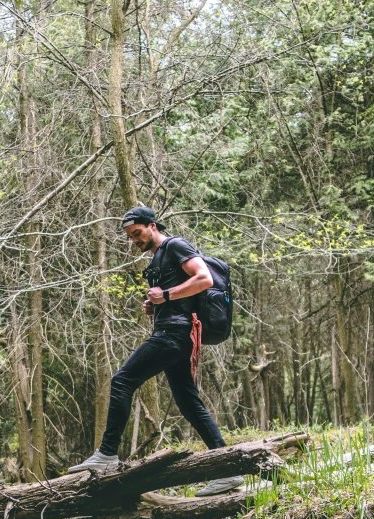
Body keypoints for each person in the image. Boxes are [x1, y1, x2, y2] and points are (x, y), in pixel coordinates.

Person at [67, 206, 243, 497]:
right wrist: (158, 303)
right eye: (130, 237)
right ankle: (228, 470)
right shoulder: (159, 257)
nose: (134, 241)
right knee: (189, 403)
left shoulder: (175, 245)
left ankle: (107, 454)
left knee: (123, 381)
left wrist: (167, 295)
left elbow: (204, 279)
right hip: (177, 334)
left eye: (137, 233)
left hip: (174, 335)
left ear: (152, 226)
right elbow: (180, 292)